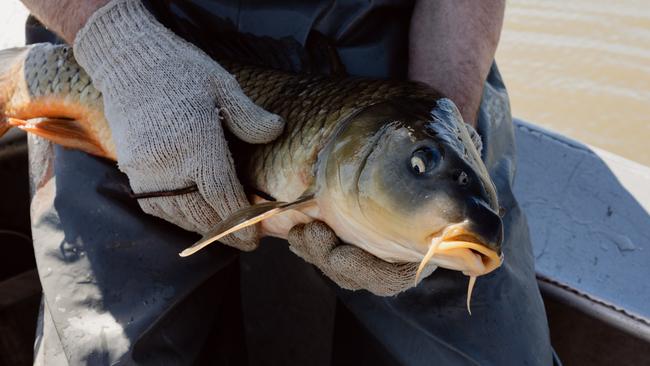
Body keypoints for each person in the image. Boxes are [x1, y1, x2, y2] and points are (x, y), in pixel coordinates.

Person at [20, 0, 559, 364]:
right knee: (102, 349)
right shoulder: (119, 47)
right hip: (120, 43)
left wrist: (445, 118)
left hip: (400, 63)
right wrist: (121, 48)